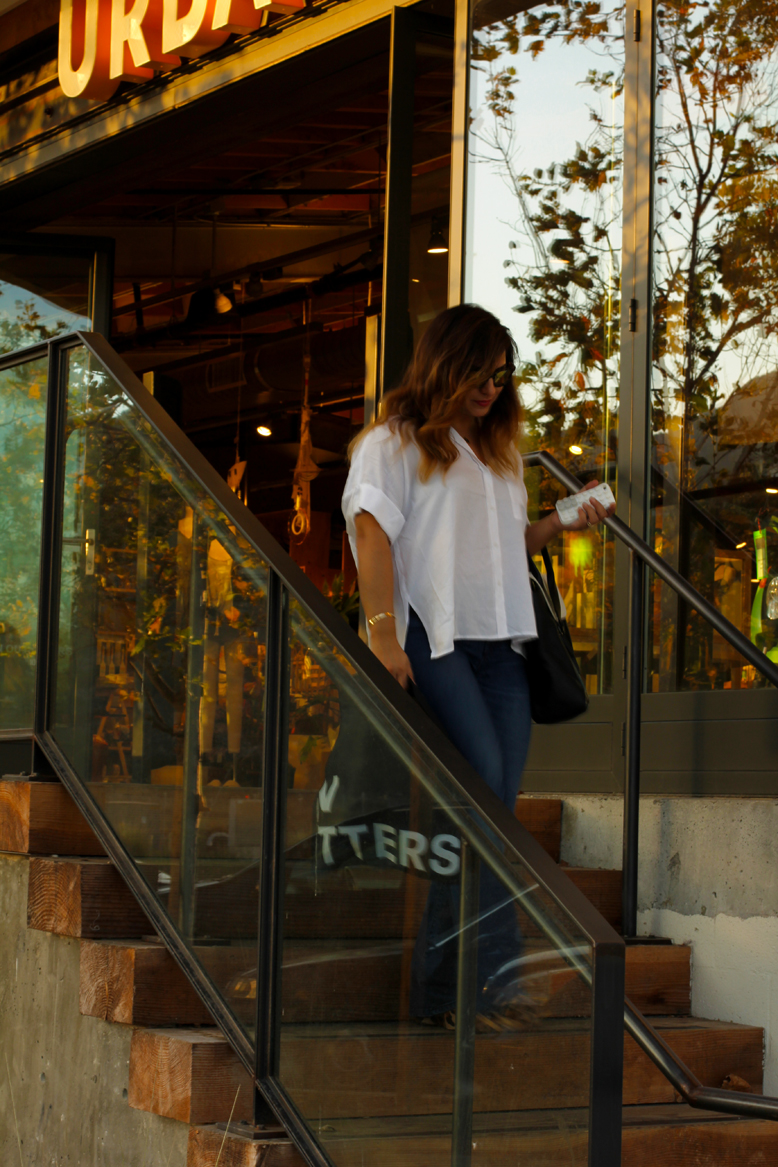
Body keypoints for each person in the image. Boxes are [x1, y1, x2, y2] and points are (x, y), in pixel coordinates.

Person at [342, 303, 613, 1030]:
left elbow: (500, 546)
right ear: (444, 364)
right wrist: (381, 634)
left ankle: (444, 988)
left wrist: (562, 521)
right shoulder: (393, 443)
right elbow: (372, 532)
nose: (493, 388)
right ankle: (490, 975)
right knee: (485, 792)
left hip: (504, 647)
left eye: (501, 375)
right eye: (479, 372)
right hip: (436, 638)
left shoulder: (498, 453)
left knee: (488, 808)